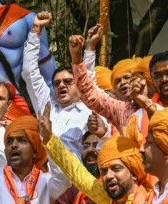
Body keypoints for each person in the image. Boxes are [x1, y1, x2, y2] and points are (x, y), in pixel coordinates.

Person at [40, 102, 151, 204]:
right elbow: (79, 175)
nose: (108, 176)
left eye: (116, 168)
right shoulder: (111, 202)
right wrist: (49, 138)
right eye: (104, 171)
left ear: (134, 173)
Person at [22, 11, 109, 158]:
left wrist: (90, 48)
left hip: (85, 178)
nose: (61, 85)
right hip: (52, 179)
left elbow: (87, 79)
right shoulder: (48, 108)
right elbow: (29, 72)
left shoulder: (91, 110)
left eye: (68, 81)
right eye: (56, 83)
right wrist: (36, 30)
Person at [56, 132, 107, 204]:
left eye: (96, 145)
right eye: (86, 146)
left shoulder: (111, 184)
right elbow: (52, 203)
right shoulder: (76, 188)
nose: (90, 150)